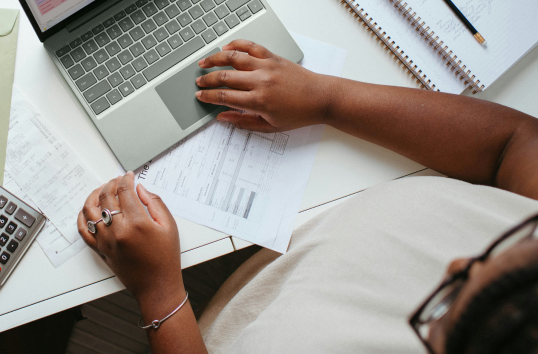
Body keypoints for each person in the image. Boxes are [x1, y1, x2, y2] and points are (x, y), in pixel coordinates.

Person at [77, 40, 538, 354]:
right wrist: (326, 98)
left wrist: (159, 295)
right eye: (516, 240)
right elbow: (516, 142)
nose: (456, 264)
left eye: (446, 302)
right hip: (284, 255)